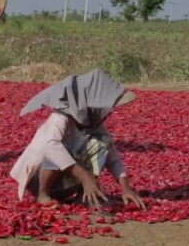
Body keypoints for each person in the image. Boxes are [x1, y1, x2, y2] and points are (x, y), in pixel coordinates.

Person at [10, 69, 146, 209]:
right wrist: (85, 177)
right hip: (37, 180)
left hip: (65, 184)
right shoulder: (60, 117)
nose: (108, 113)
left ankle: (84, 197)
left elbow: (112, 157)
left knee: (102, 142)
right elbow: (50, 146)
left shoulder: (93, 124)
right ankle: (43, 195)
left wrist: (126, 188)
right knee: (55, 147)